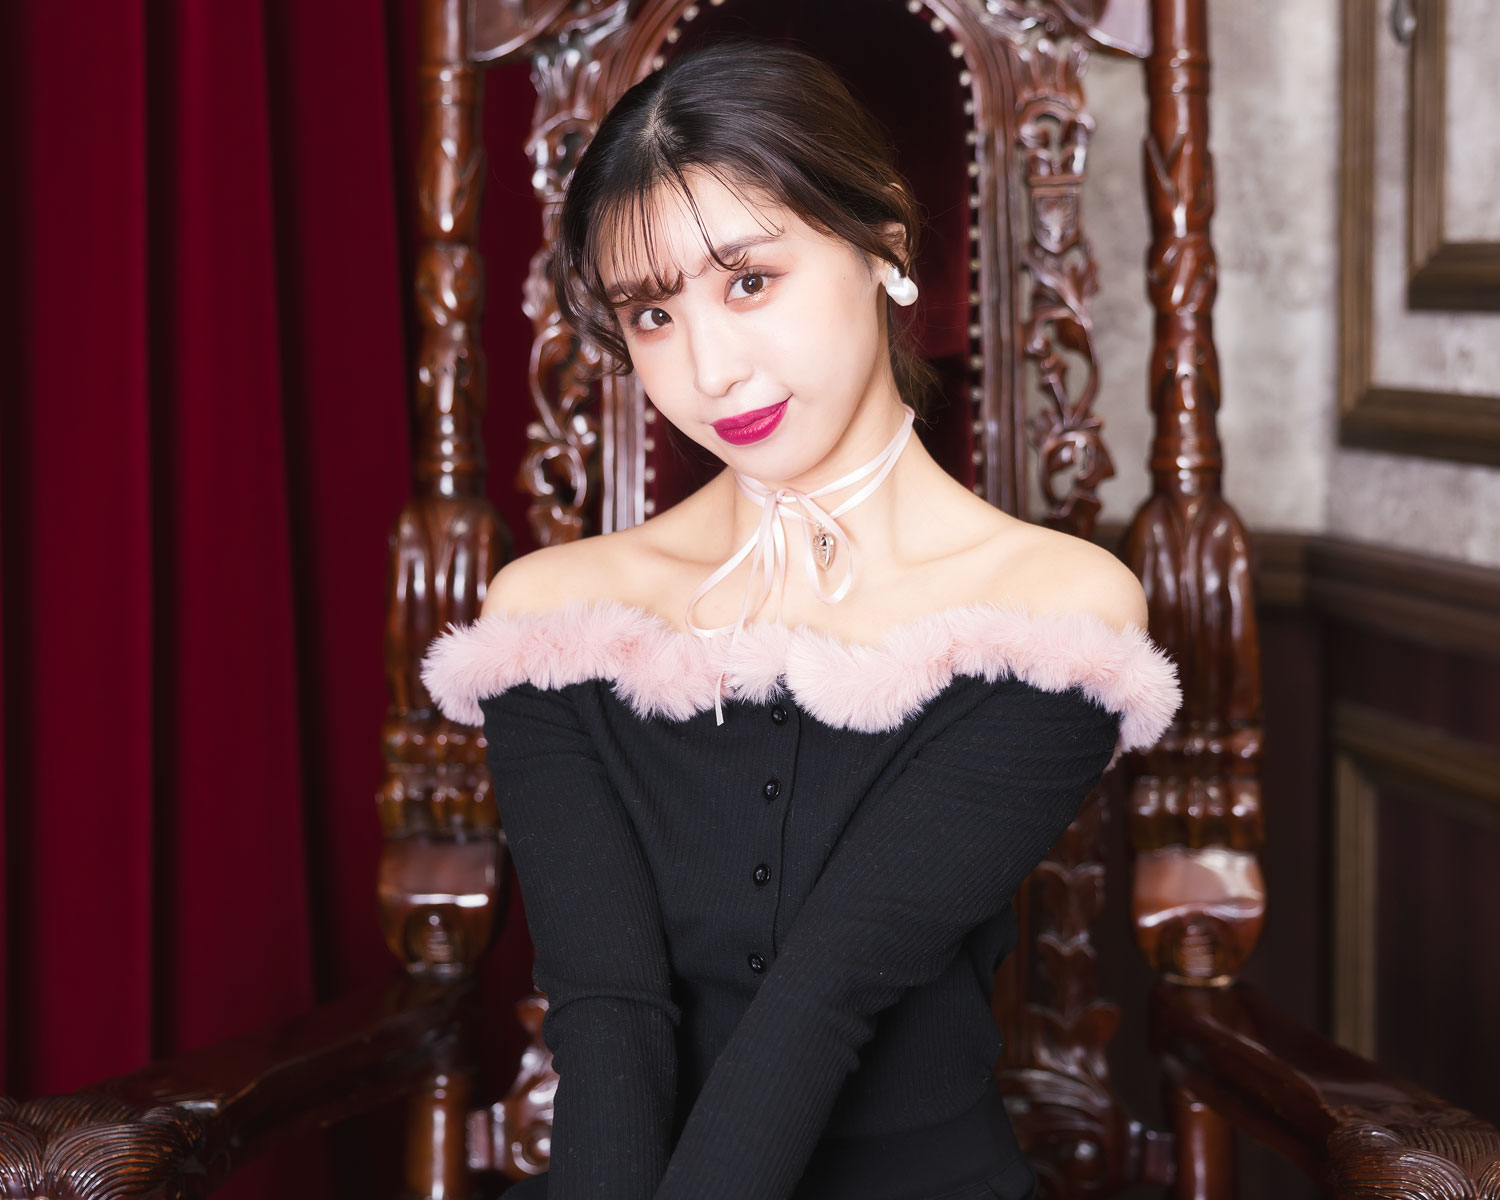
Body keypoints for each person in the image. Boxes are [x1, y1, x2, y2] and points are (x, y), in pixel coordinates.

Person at [420, 40, 1179, 1200]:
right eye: (654, 313)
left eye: (749, 282)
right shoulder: (554, 615)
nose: (711, 369)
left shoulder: (1053, 613)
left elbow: (826, 998)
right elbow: (609, 1013)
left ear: (883, 242)